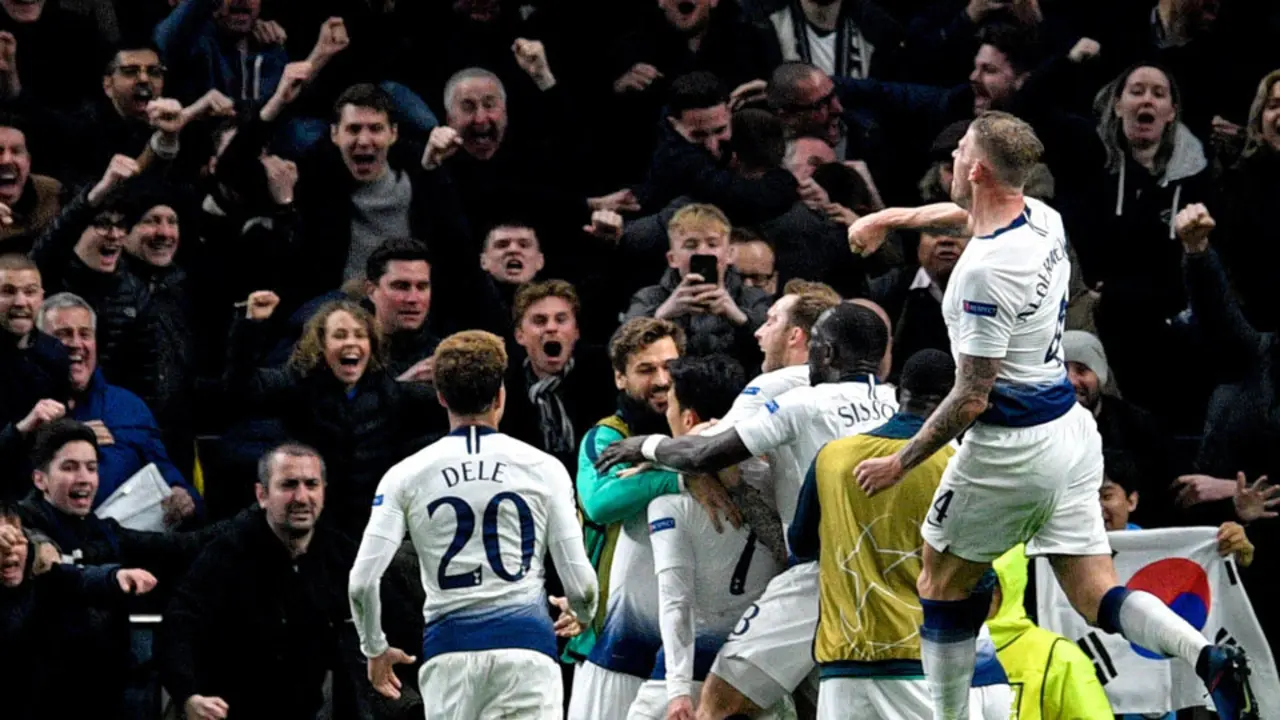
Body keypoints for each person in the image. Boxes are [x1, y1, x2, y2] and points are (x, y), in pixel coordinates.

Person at [845, 111, 1256, 719]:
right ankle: (1207, 659)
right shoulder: (1044, 217)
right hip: (1070, 433)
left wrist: (900, 463)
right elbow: (969, 214)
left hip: (1011, 446)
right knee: (1095, 593)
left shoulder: (979, 276)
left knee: (938, 579)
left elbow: (970, 398)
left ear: (978, 169)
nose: (952, 159)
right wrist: (890, 217)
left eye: (960, 150)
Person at [593, 302, 899, 719]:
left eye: (772, 321)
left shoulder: (797, 404)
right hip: (890, 575)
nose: (759, 331)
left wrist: (646, 448)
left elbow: (705, 450)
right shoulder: (898, 404)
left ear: (824, 352)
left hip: (818, 576)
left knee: (718, 700)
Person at [348, 330, 597, 719]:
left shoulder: (405, 475)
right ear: (501, 394)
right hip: (526, 654)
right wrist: (581, 612)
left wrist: (374, 647)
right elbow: (581, 583)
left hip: (449, 658)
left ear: (441, 396)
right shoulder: (544, 469)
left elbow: (362, 582)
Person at [789, 349, 1009, 718]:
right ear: (953, 403)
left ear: (897, 394)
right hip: (923, 670)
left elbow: (801, 546)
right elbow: (977, 582)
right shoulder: (959, 466)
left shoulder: (831, 458)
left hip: (842, 671)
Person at [625, 354, 788, 720]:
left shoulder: (668, 500)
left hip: (688, 675)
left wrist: (678, 691)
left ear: (688, 419)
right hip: (758, 678)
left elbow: (675, 600)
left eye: (669, 405)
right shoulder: (776, 479)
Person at [160, 442, 367, 720]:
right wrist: (188, 695)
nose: (302, 497)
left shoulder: (342, 556)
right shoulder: (226, 553)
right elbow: (179, 625)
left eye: (311, 484)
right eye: (289, 485)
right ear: (262, 494)